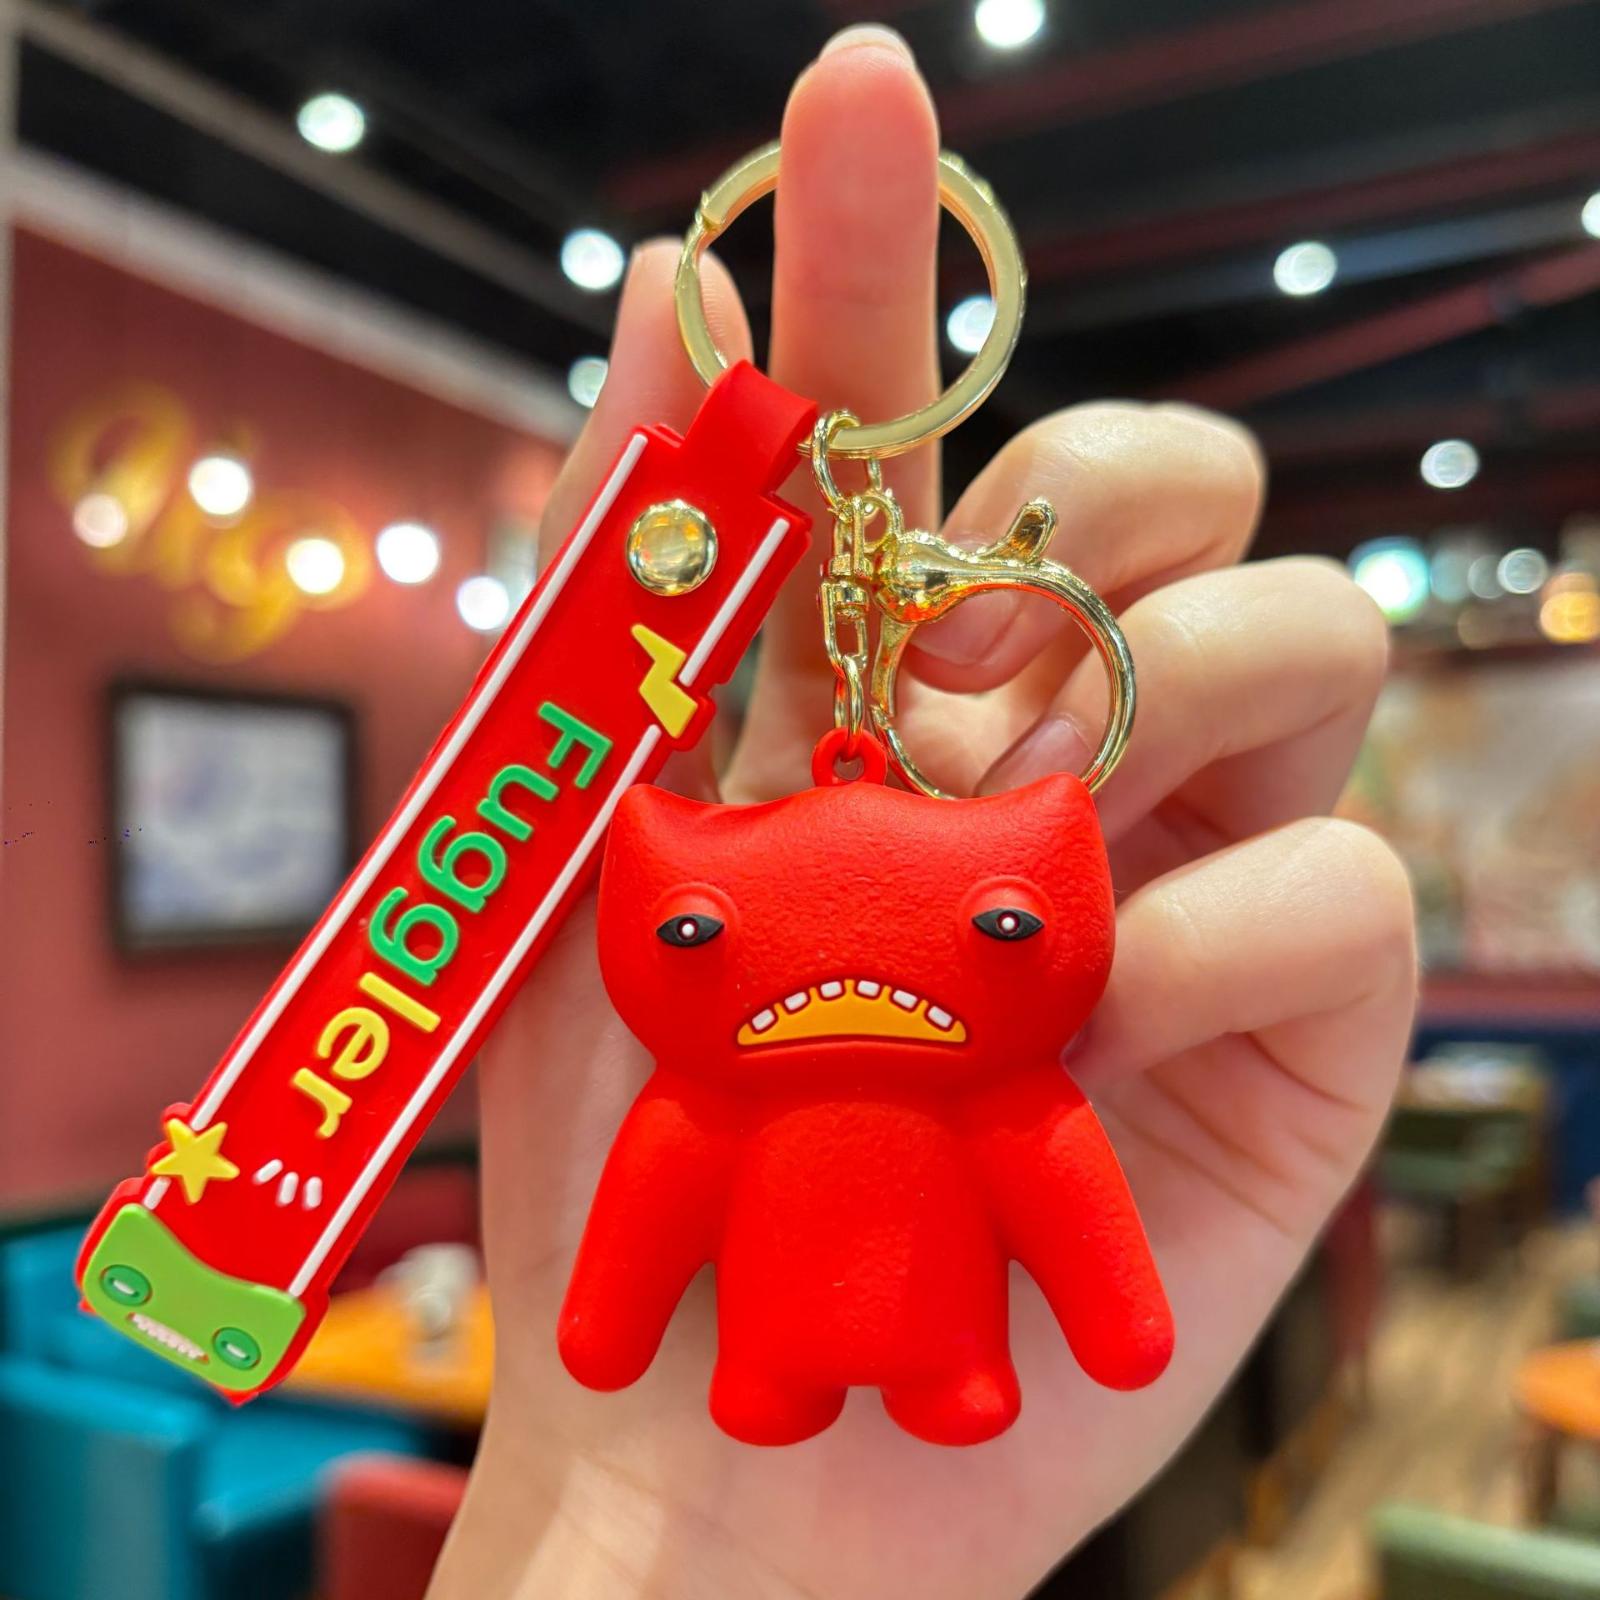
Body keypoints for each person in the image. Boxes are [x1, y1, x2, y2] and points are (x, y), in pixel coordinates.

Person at [427, 26, 1416, 1599]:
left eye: (1004, 927)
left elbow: (1093, 1259)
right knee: (770, 1370)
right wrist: (606, 1478)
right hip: (744, 1374)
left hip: (962, 1362)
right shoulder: (716, 1108)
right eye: (699, 935)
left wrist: (1118, 1319)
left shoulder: (1002, 1104)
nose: (846, 977)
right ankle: (813, 1382)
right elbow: (620, 1283)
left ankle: (943, 1377)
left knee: (951, 1368)